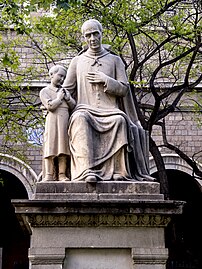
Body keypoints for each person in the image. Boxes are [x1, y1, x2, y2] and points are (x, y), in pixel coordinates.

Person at [63, 19, 154, 182]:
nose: (92, 39)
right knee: (79, 120)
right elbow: (67, 90)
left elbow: (124, 89)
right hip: (85, 109)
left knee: (119, 120)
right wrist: (54, 102)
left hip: (110, 110)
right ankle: (86, 171)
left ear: (101, 34)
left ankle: (119, 172)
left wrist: (106, 80)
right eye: (88, 35)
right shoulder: (77, 62)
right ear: (84, 38)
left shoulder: (115, 60)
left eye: (95, 34)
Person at [40, 64, 76, 181]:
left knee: (63, 149)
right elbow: (50, 106)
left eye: (64, 77)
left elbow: (73, 106)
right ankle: (49, 175)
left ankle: (62, 174)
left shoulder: (64, 91)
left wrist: (68, 98)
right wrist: (59, 98)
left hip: (64, 122)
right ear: (52, 75)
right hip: (52, 122)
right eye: (60, 76)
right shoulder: (45, 91)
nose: (62, 79)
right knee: (50, 148)